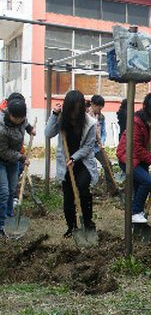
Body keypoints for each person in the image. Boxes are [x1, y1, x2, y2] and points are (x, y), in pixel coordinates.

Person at [45, 90, 98, 236]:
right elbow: (48, 133)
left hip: (83, 162)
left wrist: (74, 158)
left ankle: (87, 223)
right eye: (72, 110)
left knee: (83, 189)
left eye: (78, 110)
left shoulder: (90, 123)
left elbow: (88, 147)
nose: (74, 114)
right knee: (68, 198)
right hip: (66, 163)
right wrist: (54, 115)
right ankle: (72, 227)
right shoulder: (61, 119)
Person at [116, 93, 151, 224]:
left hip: (142, 159)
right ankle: (135, 212)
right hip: (128, 158)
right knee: (147, 182)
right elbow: (136, 148)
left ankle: (135, 215)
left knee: (139, 186)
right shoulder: (136, 123)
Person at [0, 99, 31, 237]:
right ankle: (1, 224)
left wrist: (30, 129)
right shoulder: (1, 129)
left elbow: (25, 123)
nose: (19, 120)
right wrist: (21, 158)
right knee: (4, 192)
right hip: (1, 160)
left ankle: (9, 218)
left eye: (21, 118)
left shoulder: (22, 119)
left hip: (13, 161)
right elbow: (3, 151)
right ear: (10, 114)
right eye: (16, 118)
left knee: (12, 190)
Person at [89, 95, 119, 195]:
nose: (100, 109)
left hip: (97, 147)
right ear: (92, 104)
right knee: (89, 167)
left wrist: (101, 141)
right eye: (98, 107)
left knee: (107, 164)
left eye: (101, 107)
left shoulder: (101, 117)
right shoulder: (86, 116)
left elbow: (103, 132)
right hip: (87, 147)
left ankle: (112, 189)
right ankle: (91, 188)